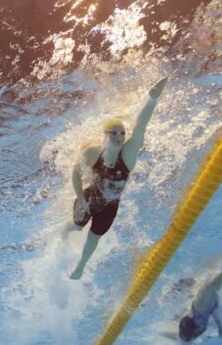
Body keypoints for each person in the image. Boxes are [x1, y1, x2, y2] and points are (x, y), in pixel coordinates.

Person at [66, 77, 168, 279]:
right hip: (87, 198)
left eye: (122, 132)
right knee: (76, 228)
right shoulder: (93, 152)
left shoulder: (128, 155)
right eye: (114, 133)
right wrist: (81, 200)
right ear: (105, 134)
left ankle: (81, 266)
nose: (120, 136)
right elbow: (75, 175)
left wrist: (152, 99)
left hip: (110, 207)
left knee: (94, 238)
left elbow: (141, 126)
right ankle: (62, 235)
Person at [162, 257, 222, 345]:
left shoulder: (189, 335)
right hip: (200, 319)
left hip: (196, 326)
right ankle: (169, 336)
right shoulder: (201, 305)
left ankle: (166, 335)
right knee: (208, 288)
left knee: (181, 343)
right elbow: (213, 287)